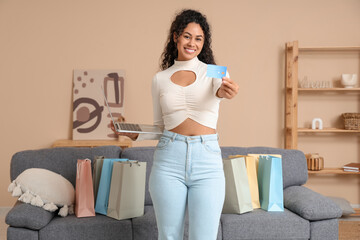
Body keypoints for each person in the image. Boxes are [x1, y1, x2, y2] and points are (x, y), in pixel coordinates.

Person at [112, 9, 239, 240]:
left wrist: (225, 91)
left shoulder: (214, 71)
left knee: (204, 237)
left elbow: (220, 89)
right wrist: (134, 135)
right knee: (168, 236)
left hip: (207, 161)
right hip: (168, 160)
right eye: (187, 36)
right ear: (175, 37)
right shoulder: (159, 79)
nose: (192, 43)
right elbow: (160, 127)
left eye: (198, 38)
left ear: (204, 42)